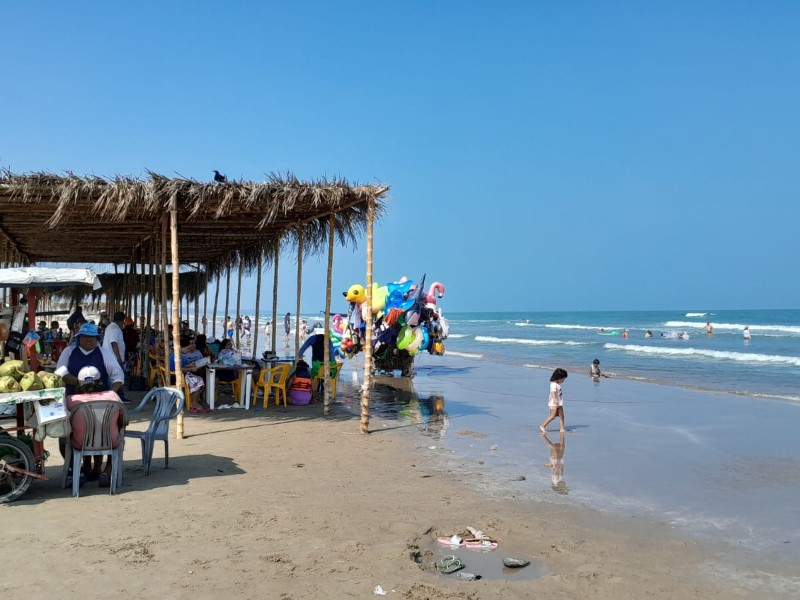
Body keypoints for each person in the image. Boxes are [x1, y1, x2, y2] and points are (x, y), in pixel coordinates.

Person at [65, 366, 127, 488]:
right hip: (109, 442)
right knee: (118, 437)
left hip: (81, 443)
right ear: (100, 382)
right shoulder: (113, 396)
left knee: (68, 438)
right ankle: (107, 472)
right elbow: (124, 421)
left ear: (79, 383)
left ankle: (81, 470)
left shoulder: (71, 400)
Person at [55, 322, 125, 398]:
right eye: (85, 337)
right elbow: (60, 371)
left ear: (97, 339)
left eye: (92, 337)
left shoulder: (104, 353)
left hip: (100, 399)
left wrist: (111, 394)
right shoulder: (69, 351)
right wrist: (78, 382)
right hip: (74, 399)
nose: (88, 340)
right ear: (79, 338)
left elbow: (118, 375)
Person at [540, 368, 568, 434]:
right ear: (559, 377)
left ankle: (562, 428)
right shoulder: (553, 384)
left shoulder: (557, 385)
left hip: (559, 403)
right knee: (552, 416)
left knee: (562, 415)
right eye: (563, 379)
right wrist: (555, 400)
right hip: (554, 403)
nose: (563, 380)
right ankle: (542, 426)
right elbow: (552, 392)